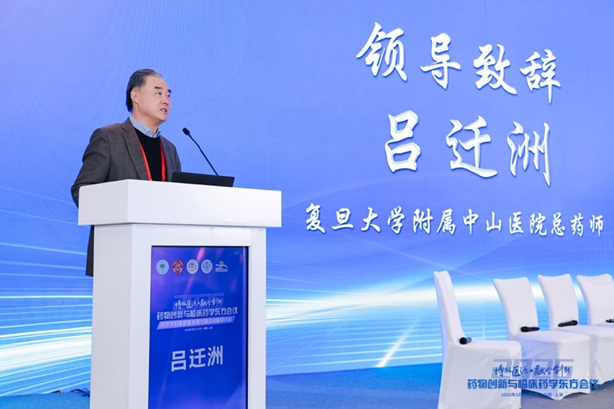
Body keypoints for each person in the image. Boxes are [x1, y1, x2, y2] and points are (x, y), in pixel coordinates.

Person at [71, 69, 182, 276]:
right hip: (117, 254)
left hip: (162, 261)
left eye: (168, 95)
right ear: (135, 96)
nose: (166, 100)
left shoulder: (170, 149)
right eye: (158, 93)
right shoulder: (108, 137)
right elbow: (82, 191)